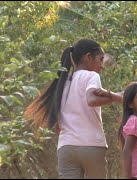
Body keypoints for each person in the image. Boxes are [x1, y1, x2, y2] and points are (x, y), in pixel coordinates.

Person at [24, 38, 123, 179]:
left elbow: (58, 125)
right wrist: (117, 97)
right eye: (100, 60)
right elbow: (92, 100)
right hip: (91, 145)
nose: (102, 66)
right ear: (88, 57)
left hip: (66, 148)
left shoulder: (62, 82)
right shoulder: (91, 76)